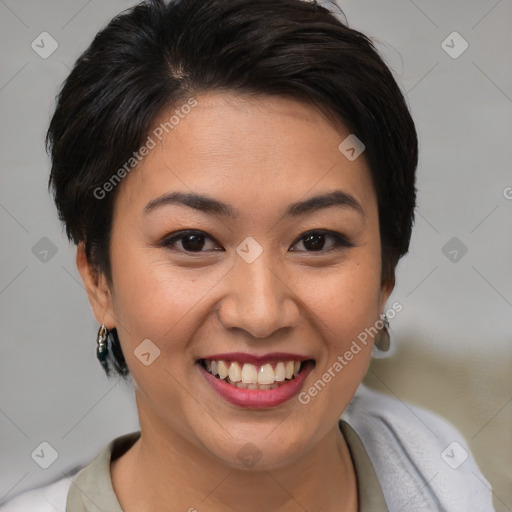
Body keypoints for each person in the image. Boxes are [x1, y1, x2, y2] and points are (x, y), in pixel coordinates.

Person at [0, 0, 496, 510]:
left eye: (316, 240)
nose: (261, 314)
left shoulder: (449, 481)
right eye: (193, 241)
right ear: (99, 281)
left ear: (385, 276)